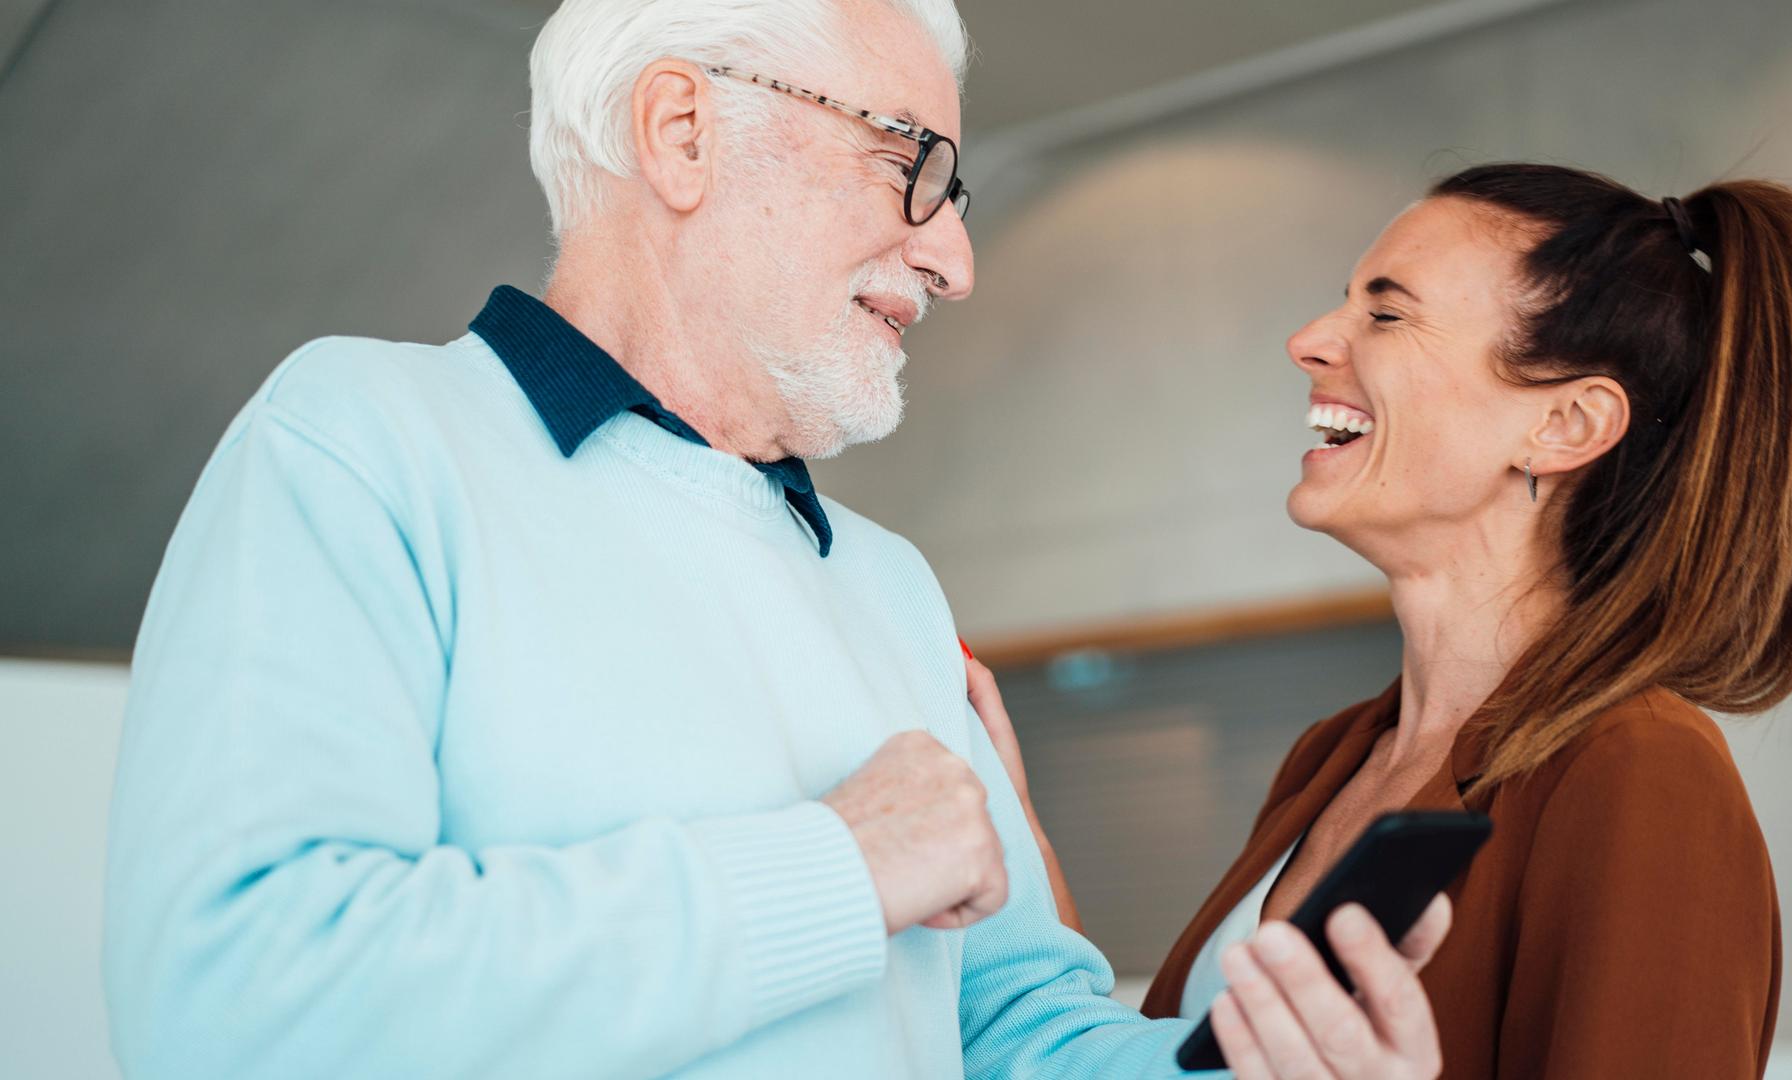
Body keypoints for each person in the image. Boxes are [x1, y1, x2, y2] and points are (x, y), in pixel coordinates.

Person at [107, 0, 1413, 1075]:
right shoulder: (365, 438)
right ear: (684, 131)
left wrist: (1248, 1069)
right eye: (914, 165)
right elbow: (238, 1005)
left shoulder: (890, 585)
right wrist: (839, 869)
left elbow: (1010, 1031)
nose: (956, 259)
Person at [972, 163, 1792, 1078]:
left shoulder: (1642, 769)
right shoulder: (1334, 757)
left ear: (1567, 424)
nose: (1308, 340)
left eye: (1386, 314)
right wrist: (1033, 888)